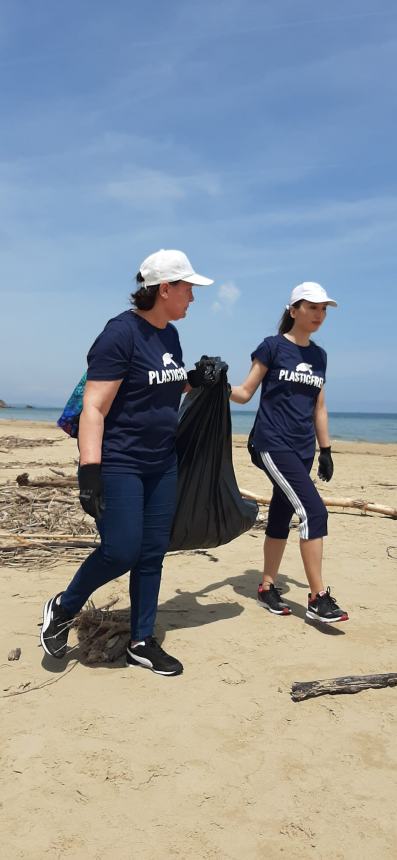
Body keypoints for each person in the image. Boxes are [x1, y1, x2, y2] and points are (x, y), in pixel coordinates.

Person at [40, 249, 214, 675]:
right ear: (165, 288)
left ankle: (141, 640)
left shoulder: (170, 335)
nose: (193, 296)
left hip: (161, 462)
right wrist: (90, 472)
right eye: (188, 287)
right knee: (120, 550)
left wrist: (197, 379)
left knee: (152, 553)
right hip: (120, 462)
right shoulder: (120, 334)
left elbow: (159, 394)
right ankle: (64, 607)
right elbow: (94, 409)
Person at [230, 281, 349, 624]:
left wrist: (325, 449)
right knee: (314, 512)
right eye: (312, 307)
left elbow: (319, 407)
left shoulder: (319, 356)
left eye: (323, 308)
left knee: (282, 514)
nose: (319, 314)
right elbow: (245, 392)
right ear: (293, 310)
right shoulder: (271, 347)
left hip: (302, 448)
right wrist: (216, 385)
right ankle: (318, 597)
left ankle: (267, 586)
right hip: (271, 442)